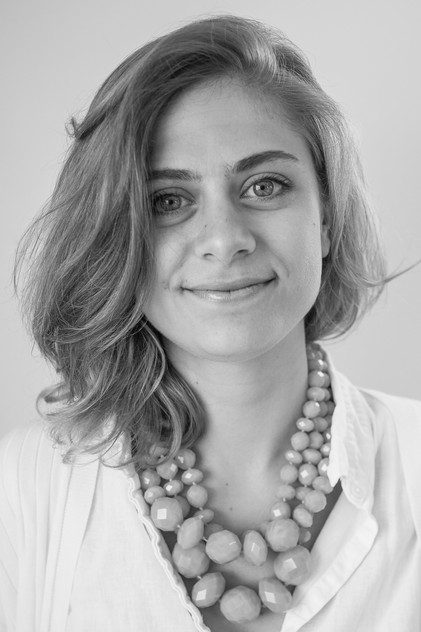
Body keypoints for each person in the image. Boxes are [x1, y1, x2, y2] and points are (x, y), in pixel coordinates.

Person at [0, 14, 420, 632]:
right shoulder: (21, 488)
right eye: (167, 201)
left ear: (327, 220)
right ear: (118, 236)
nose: (224, 240)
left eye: (265, 185)